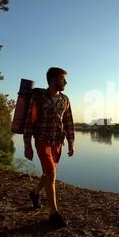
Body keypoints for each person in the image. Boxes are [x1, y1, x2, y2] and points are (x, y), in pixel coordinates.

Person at [23, 67, 75, 227]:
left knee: (47, 172)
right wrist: (27, 145)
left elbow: (68, 121)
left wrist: (71, 142)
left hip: (58, 141)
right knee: (51, 173)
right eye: (62, 79)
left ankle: (35, 193)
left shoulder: (65, 99)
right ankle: (54, 214)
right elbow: (29, 122)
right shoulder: (38, 98)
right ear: (53, 79)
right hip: (42, 140)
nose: (65, 82)